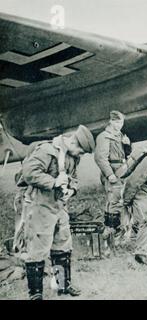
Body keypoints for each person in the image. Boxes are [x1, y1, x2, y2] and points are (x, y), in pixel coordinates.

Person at [21, 125, 95, 300]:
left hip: (59, 206)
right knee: (38, 249)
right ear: (73, 142)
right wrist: (53, 182)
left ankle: (62, 285)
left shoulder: (72, 155)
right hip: (40, 205)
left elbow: (74, 177)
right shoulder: (47, 150)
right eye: (81, 151)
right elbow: (29, 173)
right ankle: (36, 293)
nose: (80, 155)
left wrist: (72, 190)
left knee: (62, 246)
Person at [94, 111, 132, 234]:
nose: (120, 125)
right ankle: (111, 229)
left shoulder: (120, 136)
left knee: (119, 198)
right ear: (111, 121)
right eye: (117, 122)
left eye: (121, 122)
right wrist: (109, 174)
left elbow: (126, 154)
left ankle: (117, 228)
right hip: (114, 171)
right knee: (113, 199)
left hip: (122, 169)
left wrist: (127, 145)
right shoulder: (104, 136)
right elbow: (100, 158)